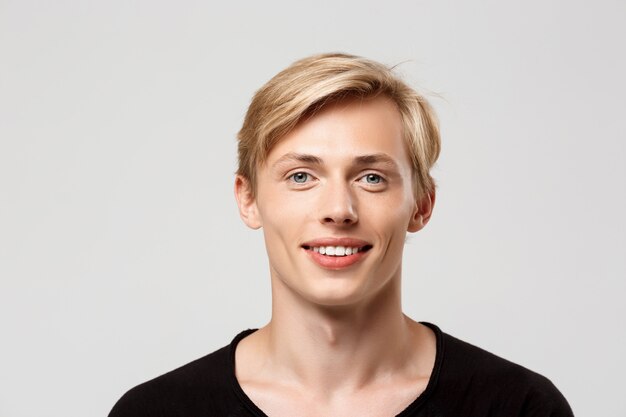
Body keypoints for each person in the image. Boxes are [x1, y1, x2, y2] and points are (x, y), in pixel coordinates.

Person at [108, 53, 574, 417]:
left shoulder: (518, 410)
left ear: (422, 204)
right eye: (300, 177)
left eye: (371, 177)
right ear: (248, 199)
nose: (338, 210)